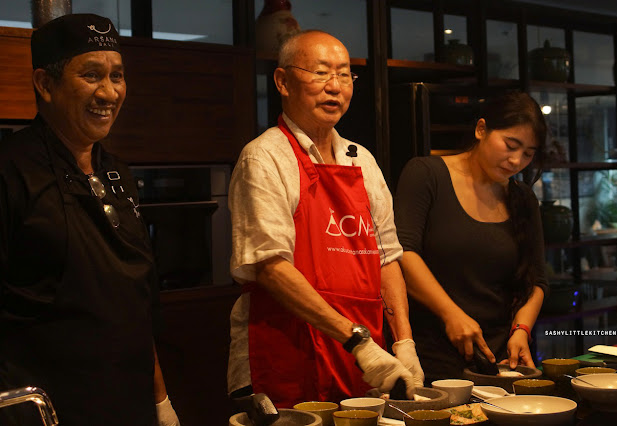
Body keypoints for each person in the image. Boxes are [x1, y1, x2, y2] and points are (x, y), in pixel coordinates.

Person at [227, 30, 424, 408]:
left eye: (345, 74)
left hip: (362, 360)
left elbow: (386, 256)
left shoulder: (361, 160)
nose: (335, 87)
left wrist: (403, 342)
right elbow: (270, 266)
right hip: (287, 353)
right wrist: (358, 341)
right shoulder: (264, 158)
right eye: (320, 73)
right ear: (283, 82)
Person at [0, 14, 179, 426]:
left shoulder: (118, 173)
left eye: (117, 76)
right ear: (45, 84)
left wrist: (160, 400)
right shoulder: (11, 172)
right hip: (47, 411)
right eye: (91, 75)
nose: (109, 92)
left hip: (129, 404)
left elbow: (136, 304)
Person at [393, 91, 549, 382]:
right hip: (434, 354)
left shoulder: (523, 198)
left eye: (528, 154)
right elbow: (403, 252)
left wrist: (522, 330)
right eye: (510, 145)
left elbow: (538, 281)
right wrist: (451, 313)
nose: (516, 161)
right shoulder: (427, 174)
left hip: (503, 359)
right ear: (481, 130)